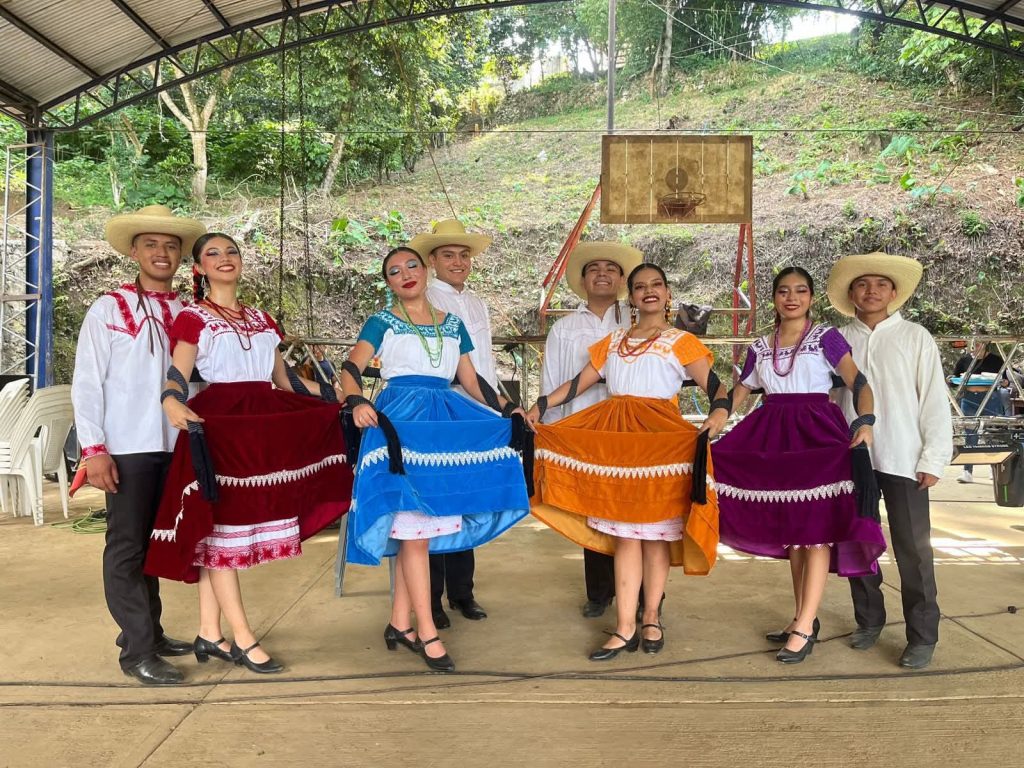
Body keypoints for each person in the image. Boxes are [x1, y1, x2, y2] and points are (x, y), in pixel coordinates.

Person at [144, 233, 352, 674]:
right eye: (213, 254)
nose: (225, 259)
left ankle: (208, 632)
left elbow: (285, 382)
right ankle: (242, 638)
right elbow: (177, 374)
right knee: (220, 533)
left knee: (216, 533)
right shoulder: (193, 316)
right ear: (198, 268)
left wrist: (339, 395)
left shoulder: (263, 319)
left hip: (261, 429)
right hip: (220, 428)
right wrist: (170, 401)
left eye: (231, 251)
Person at [341, 246, 530, 673]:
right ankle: (426, 631)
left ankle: (398, 624)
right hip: (401, 424)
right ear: (387, 282)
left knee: (422, 528)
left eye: (411, 266)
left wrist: (506, 408)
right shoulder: (382, 322)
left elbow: (470, 378)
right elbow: (351, 365)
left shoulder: (453, 324)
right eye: (394, 271)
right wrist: (355, 399)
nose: (405, 274)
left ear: (425, 271)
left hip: (443, 421)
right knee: (415, 530)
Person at [527, 262, 729, 660]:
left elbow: (715, 385)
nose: (649, 291)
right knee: (625, 537)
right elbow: (578, 384)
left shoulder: (680, 341)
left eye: (657, 284)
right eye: (640, 286)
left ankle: (651, 616)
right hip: (617, 443)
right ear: (631, 296)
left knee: (654, 537)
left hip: (660, 444)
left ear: (668, 294)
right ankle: (623, 627)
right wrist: (539, 404)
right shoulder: (614, 340)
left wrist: (718, 414)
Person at [714, 267, 886, 665]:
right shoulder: (760, 345)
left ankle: (806, 625)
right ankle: (801, 618)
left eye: (801, 291)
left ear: (812, 297)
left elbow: (858, 381)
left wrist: (865, 421)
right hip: (773, 434)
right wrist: (717, 419)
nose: (792, 298)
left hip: (816, 437)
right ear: (773, 298)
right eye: (783, 291)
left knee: (815, 534)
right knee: (795, 534)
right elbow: (741, 389)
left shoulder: (824, 337)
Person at [72, 204, 206, 685]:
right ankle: (136, 650)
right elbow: (87, 382)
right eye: (151, 243)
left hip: (177, 444)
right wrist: (94, 449)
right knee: (126, 546)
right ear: (134, 251)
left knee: (154, 541)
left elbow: (203, 383)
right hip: (126, 444)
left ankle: (149, 629)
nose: (162, 252)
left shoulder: (191, 313)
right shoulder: (108, 308)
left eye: (171, 245)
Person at [826, 251, 953, 670]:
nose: (871, 291)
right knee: (857, 544)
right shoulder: (836, 341)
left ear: (894, 293)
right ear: (851, 294)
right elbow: (825, 399)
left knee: (913, 550)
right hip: (852, 458)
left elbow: (933, 399)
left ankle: (922, 635)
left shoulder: (916, 337)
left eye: (880, 284)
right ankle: (868, 621)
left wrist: (933, 457)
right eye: (862, 285)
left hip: (903, 455)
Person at [539, 242, 640, 618]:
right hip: (582, 428)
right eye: (594, 268)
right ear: (583, 280)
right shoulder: (564, 328)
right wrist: (552, 432)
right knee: (594, 509)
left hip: (631, 432)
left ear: (622, 279)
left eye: (611, 268)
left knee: (636, 509)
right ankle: (599, 593)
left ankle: (644, 593)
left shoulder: (637, 321)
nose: (602, 273)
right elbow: (552, 382)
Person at [413, 219, 497, 629]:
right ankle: (431, 600)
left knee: (467, 499)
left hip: (479, 409)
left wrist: (498, 405)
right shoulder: (424, 299)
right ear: (431, 260)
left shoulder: (476, 302)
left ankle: (463, 592)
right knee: (436, 500)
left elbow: (485, 363)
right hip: (442, 410)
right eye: (448, 255)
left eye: (464, 255)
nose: (458, 262)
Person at [951, 339, 1008, 483]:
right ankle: (967, 471)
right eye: (971, 344)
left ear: (984, 344)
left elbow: (1005, 380)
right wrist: (950, 379)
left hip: (989, 397)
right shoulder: (964, 360)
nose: (973, 348)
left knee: (991, 432)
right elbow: (954, 378)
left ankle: (993, 467)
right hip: (969, 398)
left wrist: (1004, 382)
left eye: (976, 344)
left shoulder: (995, 360)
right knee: (970, 433)